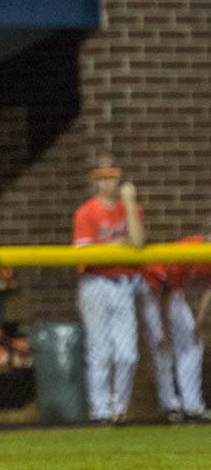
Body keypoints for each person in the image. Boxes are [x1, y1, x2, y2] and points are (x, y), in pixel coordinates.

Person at [73, 155, 145, 424]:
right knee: (100, 351)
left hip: (123, 283)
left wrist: (128, 202)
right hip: (95, 283)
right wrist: (119, 245)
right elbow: (86, 253)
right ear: (95, 180)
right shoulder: (86, 212)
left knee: (128, 354)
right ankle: (100, 411)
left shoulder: (130, 208)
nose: (107, 183)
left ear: (119, 178)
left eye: (111, 177)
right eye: (102, 178)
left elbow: (137, 243)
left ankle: (119, 408)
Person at [134, 225, 211, 422]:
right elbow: (165, 292)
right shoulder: (189, 250)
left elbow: (209, 290)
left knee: (193, 344)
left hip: (173, 292)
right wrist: (165, 331)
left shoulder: (207, 253)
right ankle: (169, 406)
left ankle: (192, 405)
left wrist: (199, 323)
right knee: (162, 346)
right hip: (152, 288)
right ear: (206, 235)